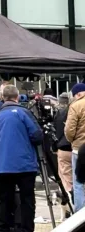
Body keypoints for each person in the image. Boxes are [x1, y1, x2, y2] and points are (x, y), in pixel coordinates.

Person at [0, 84, 43, 231]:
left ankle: (3, 228)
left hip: (2, 165)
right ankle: (26, 228)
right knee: (27, 200)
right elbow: (37, 135)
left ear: (3, 98)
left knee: (2, 200)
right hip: (24, 164)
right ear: (17, 97)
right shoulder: (23, 113)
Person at [65, 82, 85, 213]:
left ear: (78, 94)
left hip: (80, 149)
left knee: (78, 183)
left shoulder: (75, 106)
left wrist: (71, 140)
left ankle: (80, 215)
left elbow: (69, 130)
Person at [55, 92, 73, 198]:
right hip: (77, 147)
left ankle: (69, 201)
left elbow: (56, 131)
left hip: (63, 147)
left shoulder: (60, 113)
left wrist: (54, 145)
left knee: (65, 178)